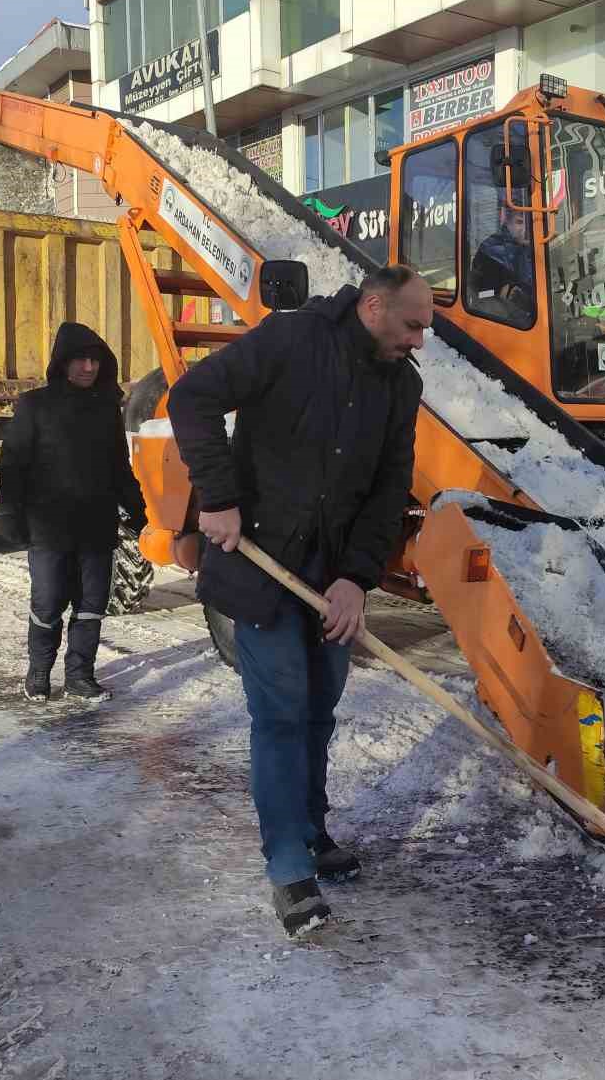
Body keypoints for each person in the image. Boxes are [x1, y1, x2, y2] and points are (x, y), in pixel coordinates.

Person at [169, 265, 430, 936]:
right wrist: (218, 497)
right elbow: (192, 397)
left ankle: (312, 831)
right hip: (262, 571)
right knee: (282, 713)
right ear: (374, 306)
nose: (420, 340)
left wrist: (356, 578)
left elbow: (386, 489)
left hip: (330, 579)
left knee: (319, 710)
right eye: (412, 324)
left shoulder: (402, 384)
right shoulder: (289, 340)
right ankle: (288, 866)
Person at [0, 322, 146, 705]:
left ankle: (81, 676)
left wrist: (140, 512)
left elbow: (119, 468)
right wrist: (10, 513)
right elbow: (12, 465)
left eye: (95, 360)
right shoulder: (35, 406)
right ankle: (39, 673)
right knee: (47, 603)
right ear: (62, 362)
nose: (88, 367)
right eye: (80, 359)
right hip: (49, 528)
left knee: (91, 606)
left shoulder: (107, 410)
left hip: (96, 527)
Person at [468, 206, 534, 324]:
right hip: (499, 317)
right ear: (507, 222)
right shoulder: (491, 249)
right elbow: (478, 293)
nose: (524, 228)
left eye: (527, 223)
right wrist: (500, 291)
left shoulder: (529, 248)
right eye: (519, 222)